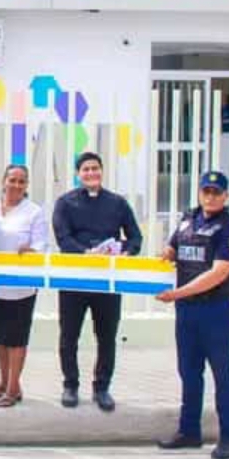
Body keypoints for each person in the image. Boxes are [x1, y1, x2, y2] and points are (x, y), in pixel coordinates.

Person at [156, 171, 229, 459]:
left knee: (222, 374)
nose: (210, 197)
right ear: (199, 193)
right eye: (206, 191)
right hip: (187, 311)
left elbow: (218, 273)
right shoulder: (188, 220)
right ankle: (189, 432)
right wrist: (161, 259)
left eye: (216, 192)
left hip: (216, 311)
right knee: (189, 372)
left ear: (226, 196)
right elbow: (172, 249)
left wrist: (177, 293)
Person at [52, 151, 142, 412]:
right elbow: (63, 238)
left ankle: (102, 387)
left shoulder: (117, 203)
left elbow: (135, 237)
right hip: (75, 278)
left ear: (101, 171)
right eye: (86, 169)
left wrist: (125, 252)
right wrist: (85, 253)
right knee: (69, 334)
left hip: (107, 281)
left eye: (95, 168)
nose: (91, 173)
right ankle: (70, 385)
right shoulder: (65, 203)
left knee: (106, 336)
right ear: (78, 174)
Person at [0, 164, 49, 408]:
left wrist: (32, 251)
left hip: (21, 287)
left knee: (16, 338)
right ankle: (3, 381)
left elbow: (42, 244)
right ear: (4, 180)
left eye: (22, 181)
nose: (16, 185)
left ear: (26, 185)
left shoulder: (34, 212)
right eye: (12, 180)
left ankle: (13, 388)